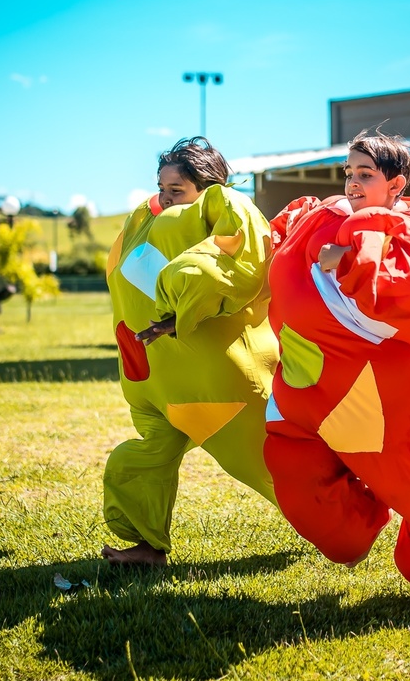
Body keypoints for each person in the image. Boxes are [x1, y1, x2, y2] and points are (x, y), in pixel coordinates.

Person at [263, 129, 410, 606]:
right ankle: (358, 518)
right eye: (348, 173)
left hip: (404, 399)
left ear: (396, 184)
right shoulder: (323, 218)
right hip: (315, 389)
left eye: (365, 174)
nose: (353, 183)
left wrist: (350, 253)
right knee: (298, 480)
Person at [101, 137, 278, 565]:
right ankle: (148, 547)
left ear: (209, 186)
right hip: (157, 381)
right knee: (145, 460)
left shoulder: (225, 209)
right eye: (162, 188)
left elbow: (226, 263)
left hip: (214, 384)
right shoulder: (145, 218)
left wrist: (180, 307)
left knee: (269, 465)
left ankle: (351, 514)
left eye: (176, 190)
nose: (164, 198)